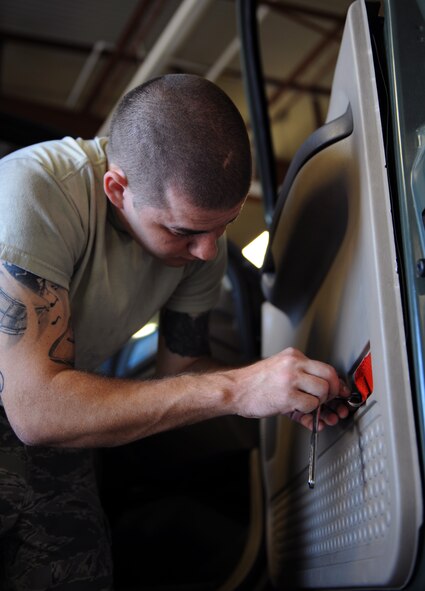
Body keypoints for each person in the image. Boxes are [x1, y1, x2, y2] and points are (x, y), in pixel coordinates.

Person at [0, 73, 350, 590]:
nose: (208, 252)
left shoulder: (200, 248)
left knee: (79, 569)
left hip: (56, 410)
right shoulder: (37, 193)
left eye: (223, 227)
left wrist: (271, 386)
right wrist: (236, 389)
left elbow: (183, 371)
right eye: (184, 231)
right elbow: (36, 410)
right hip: (29, 395)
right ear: (117, 189)